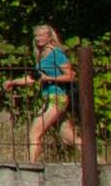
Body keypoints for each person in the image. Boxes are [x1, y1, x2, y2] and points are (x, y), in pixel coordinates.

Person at [5, 23, 82, 162]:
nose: (38, 38)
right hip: (49, 99)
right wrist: (14, 82)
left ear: (49, 37)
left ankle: (30, 167)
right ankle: (98, 161)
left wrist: (49, 78)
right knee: (68, 137)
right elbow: (34, 79)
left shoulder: (56, 54)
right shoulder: (42, 55)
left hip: (57, 98)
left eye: (42, 35)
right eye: (36, 36)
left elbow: (71, 75)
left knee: (35, 132)